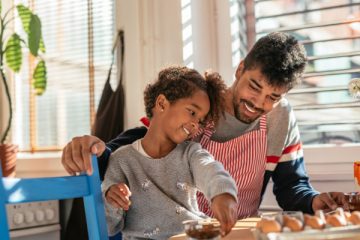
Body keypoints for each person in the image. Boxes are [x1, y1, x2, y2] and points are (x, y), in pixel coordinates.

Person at [62, 32, 346, 220]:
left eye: (272, 97)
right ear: (240, 68)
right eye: (254, 87)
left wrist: (315, 201)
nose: (258, 103)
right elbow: (144, 144)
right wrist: (96, 150)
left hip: (238, 232)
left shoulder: (281, 118)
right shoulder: (200, 104)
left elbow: (292, 187)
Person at [102, 66, 238, 239]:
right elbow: (109, 227)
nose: (196, 124)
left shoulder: (191, 153)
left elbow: (210, 169)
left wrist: (223, 193)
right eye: (192, 112)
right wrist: (112, 202)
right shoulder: (121, 160)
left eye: (200, 120)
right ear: (162, 104)